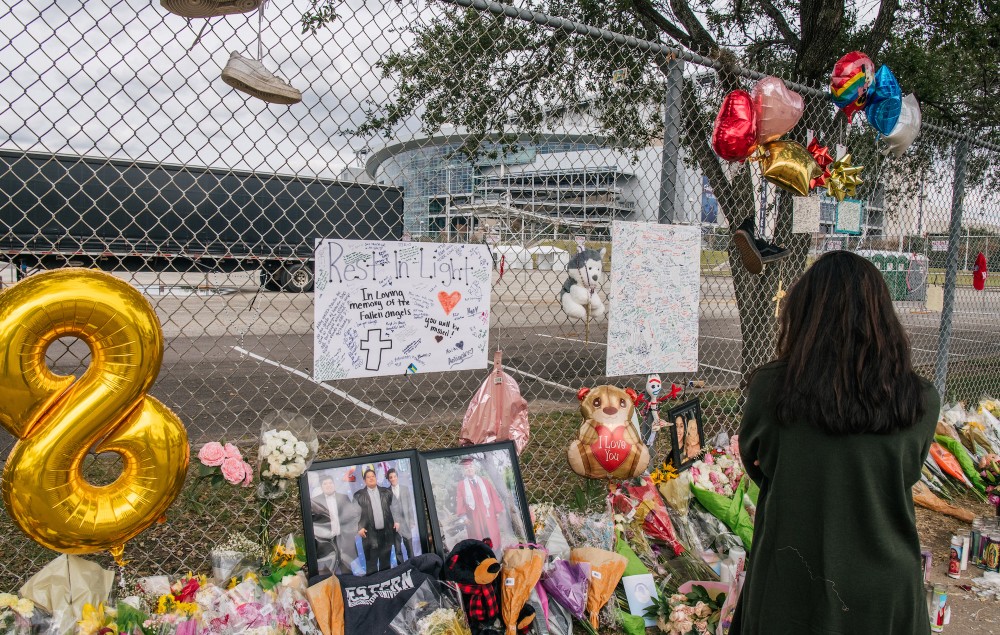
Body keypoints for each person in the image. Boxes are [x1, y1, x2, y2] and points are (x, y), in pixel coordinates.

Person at [730, 251, 939, 634]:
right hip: (885, 586)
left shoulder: (772, 388)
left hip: (789, 582)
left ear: (805, 314)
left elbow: (757, 462)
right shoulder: (920, 399)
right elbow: (905, 473)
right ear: (883, 316)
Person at [353, 468, 398, 575]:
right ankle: (373, 586)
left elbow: (396, 507)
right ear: (364, 481)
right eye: (368, 477)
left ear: (376, 478)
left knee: (385, 564)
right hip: (369, 536)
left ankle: (386, 585)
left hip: (386, 533)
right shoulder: (358, 495)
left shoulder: (386, 492)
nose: (371, 478)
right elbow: (353, 514)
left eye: (373, 476)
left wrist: (397, 521)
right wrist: (358, 528)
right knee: (371, 564)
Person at [454, 458, 504, 551]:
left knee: (492, 534)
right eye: (466, 468)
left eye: (471, 467)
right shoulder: (461, 485)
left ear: (475, 468)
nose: (469, 469)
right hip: (473, 517)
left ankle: (496, 553)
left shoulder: (484, 481)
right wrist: (464, 518)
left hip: (488, 515)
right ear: (463, 471)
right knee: (477, 537)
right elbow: (460, 501)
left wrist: (497, 511)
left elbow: (493, 495)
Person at [310, 475, 352, 575]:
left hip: (342, 537)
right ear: (321, 486)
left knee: (346, 565)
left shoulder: (344, 498)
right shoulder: (315, 502)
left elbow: (351, 517)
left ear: (334, 484)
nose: (328, 485)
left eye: (330, 483)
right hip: (325, 540)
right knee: (327, 568)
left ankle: (348, 584)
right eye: (325, 484)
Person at [387, 467, 416, 562]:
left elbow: (409, 505)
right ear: (388, 479)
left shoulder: (405, 489)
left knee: (410, 548)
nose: (393, 478)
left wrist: (412, 521)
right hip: (395, 524)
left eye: (395, 476)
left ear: (397, 477)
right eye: (391, 477)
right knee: (398, 549)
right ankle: (402, 570)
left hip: (406, 521)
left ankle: (413, 565)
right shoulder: (387, 492)